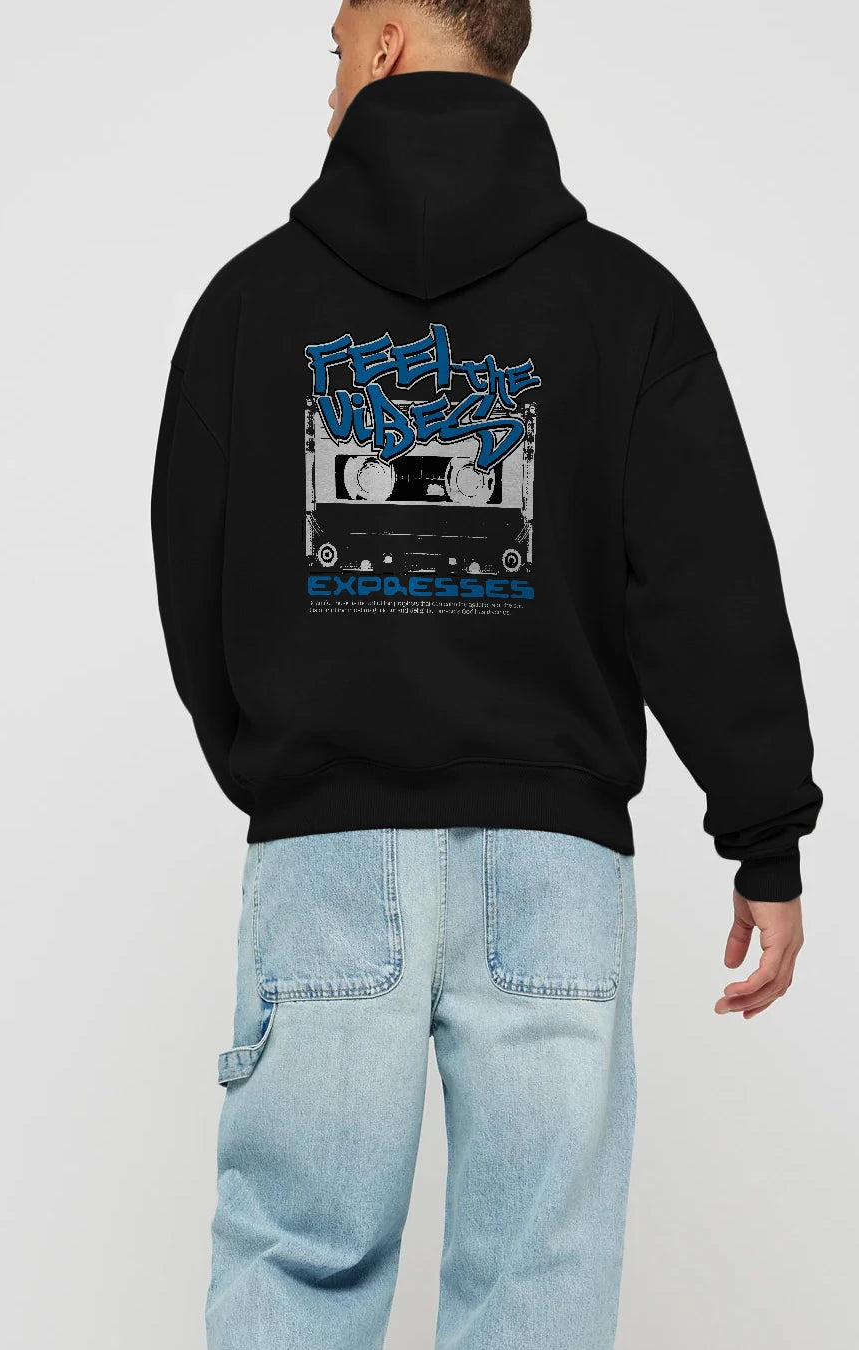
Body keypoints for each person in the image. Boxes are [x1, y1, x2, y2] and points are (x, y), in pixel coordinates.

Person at [150, 2, 822, 1346]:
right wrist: (766, 836)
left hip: (325, 854)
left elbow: (194, 576)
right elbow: (707, 581)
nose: (330, 73)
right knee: (537, 1289)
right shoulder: (627, 304)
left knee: (295, 1264)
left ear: (391, 41)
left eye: (339, 41)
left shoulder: (249, 304)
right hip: (553, 868)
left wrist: (293, 766)